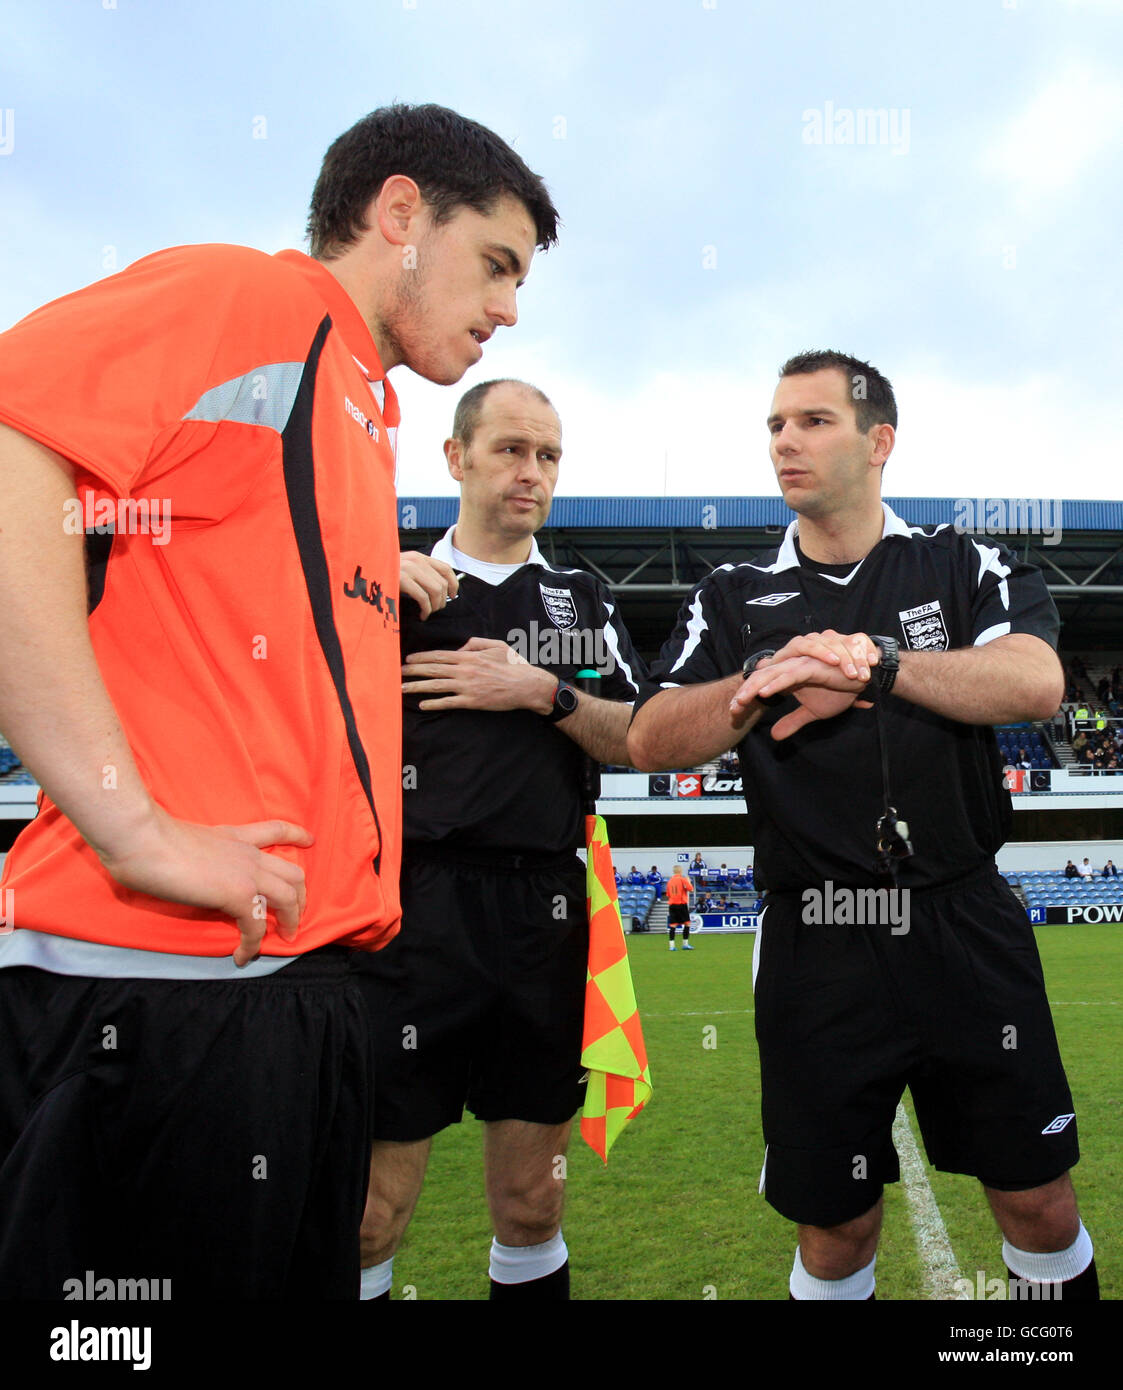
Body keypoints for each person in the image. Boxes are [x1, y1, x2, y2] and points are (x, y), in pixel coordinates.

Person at [0, 104, 559, 1299]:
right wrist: (128, 822)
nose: (511, 306)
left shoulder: (360, 403)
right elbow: (11, 444)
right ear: (401, 214)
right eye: (497, 263)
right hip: (162, 993)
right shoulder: (250, 303)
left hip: (299, 993)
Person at [628, 349, 1098, 1302]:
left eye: (810, 421)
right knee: (834, 1230)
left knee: (1038, 1202)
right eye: (772, 425)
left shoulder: (960, 562)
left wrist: (873, 665)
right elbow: (647, 738)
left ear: (878, 441)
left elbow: (1035, 681)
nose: (784, 442)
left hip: (964, 919)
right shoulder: (729, 594)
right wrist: (772, 677)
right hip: (818, 937)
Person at [354, 379, 645, 1300]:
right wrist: (354, 583)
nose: (532, 473)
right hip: (410, 912)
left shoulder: (581, 599)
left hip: (543, 918)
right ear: (455, 458)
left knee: (530, 1205)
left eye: (549, 456)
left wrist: (540, 690)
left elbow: (638, 733)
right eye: (512, 450)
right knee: (366, 1218)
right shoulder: (384, 582)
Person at [665, 864, 694, 951]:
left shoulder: (669, 881)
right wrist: (688, 881)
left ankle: (672, 946)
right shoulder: (682, 879)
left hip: (672, 905)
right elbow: (690, 889)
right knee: (687, 923)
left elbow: (668, 894)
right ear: (680, 871)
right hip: (681, 904)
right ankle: (685, 944)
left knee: (672, 925)